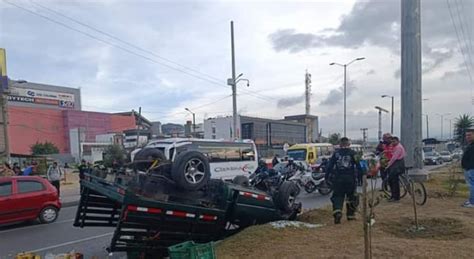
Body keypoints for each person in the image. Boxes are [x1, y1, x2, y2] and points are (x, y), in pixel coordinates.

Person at [326, 137, 362, 224]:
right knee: (351, 196)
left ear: (340, 144)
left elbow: (329, 166)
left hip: (338, 179)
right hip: (350, 179)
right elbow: (359, 165)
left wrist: (326, 176)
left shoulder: (336, 154)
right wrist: (361, 176)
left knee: (337, 196)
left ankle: (337, 212)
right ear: (349, 144)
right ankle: (350, 215)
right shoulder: (353, 153)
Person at [385, 136, 406, 202]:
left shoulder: (398, 148)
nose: (393, 142)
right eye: (392, 141)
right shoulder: (396, 147)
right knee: (391, 180)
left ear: (398, 141)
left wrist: (388, 165)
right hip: (397, 165)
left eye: (394, 141)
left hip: (398, 165)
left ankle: (396, 197)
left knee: (394, 181)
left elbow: (394, 158)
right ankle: (393, 196)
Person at [461, 128, 474, 208]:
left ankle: (472, 202)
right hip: (469, 168)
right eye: (466, 135)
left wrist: (468, 167)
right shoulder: (471, 145)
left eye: (470, 135)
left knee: (472, 185)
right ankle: (471, 200)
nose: (467, 137)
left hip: (471, 169)